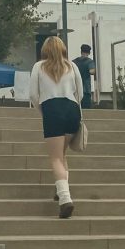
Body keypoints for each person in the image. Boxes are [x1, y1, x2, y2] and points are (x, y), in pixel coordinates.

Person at [29, 35, 83, 219]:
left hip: (52, 109)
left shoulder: (39, 66)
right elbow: (80, 93)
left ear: (45, 50)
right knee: (63, 154)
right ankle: (60, 189)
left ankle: (65, 199)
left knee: (56, 158)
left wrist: (43, 111)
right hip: (72, 109)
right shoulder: (72, 66)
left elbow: (33, 96)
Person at [73, 43, 97, 109]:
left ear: (81, 51)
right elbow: (92, 71)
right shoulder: (89, 62)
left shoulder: (74, 62)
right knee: (86, 111)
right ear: (89, 52)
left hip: (75, 90)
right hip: (85, 90)